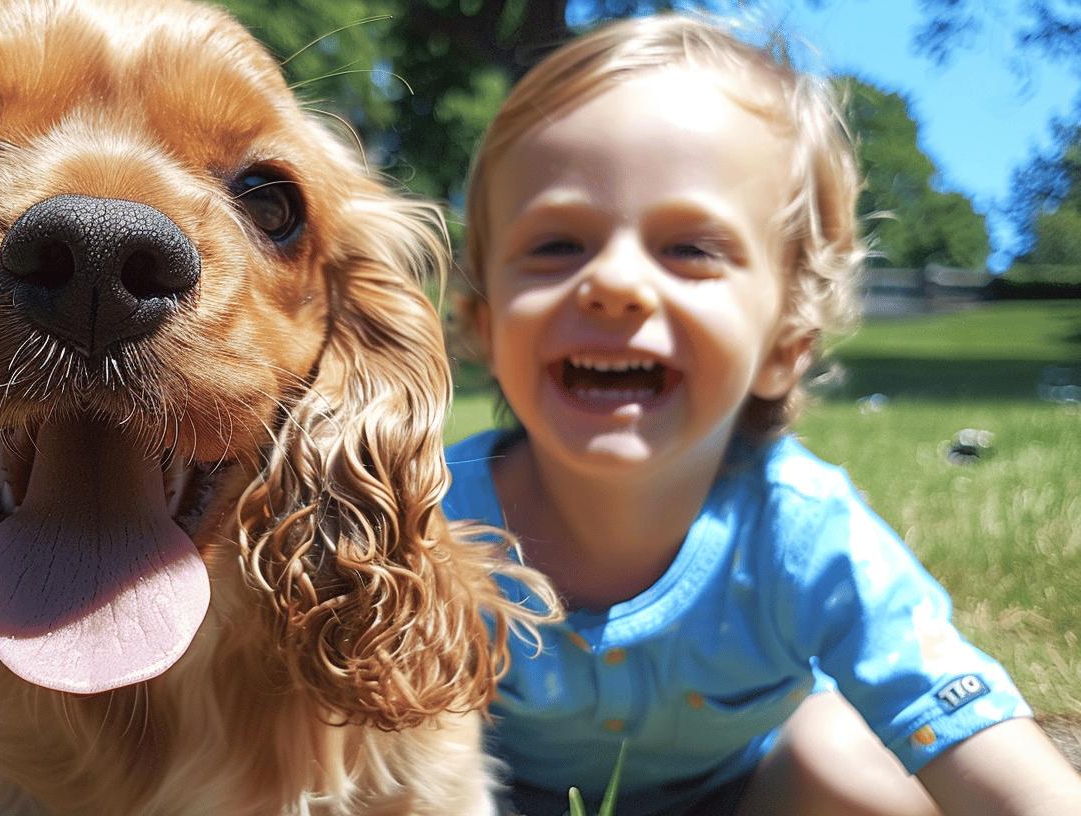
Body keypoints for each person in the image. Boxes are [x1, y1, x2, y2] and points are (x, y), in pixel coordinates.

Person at [445, 14, 1081, 816]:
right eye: (557, 245)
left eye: (690, 249)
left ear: (786, 342)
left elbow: (973, 736)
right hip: (496, 792)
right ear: (484, 322)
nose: (614, 283)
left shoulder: (802, 531)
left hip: (751, 790)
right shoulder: (436, 524)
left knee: (846, 756)